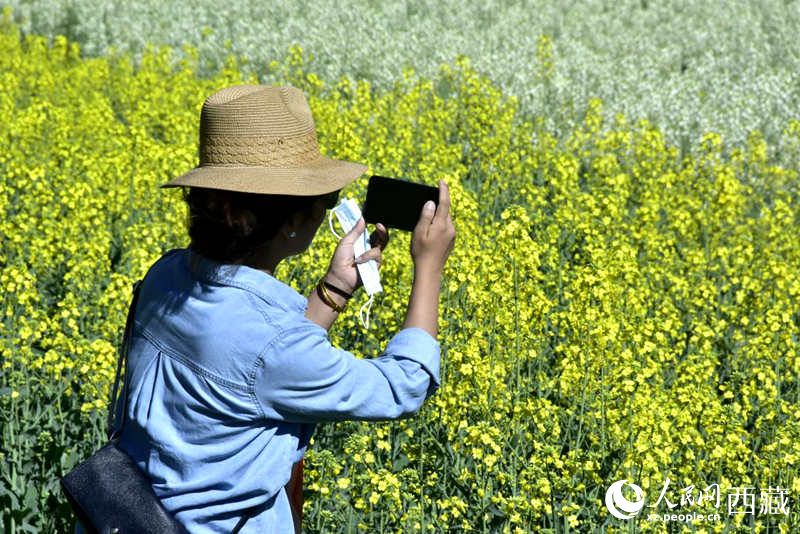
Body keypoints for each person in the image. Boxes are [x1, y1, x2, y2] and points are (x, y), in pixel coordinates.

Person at [75, 84, 456, 534]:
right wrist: (429, 266)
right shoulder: (274, 346)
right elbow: (405, 386)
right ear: (291, 222)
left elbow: (250, 371)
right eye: (327, 199)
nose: (331, 207)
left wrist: (333, 291)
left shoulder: (164, 276)